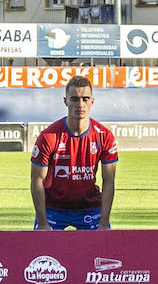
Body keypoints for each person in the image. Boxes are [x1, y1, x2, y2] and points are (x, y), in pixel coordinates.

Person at [31, 76, 118, 230]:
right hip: (53, 208)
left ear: (92, 101)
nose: (80, 104)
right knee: (43, 252)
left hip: (90, 207)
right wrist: (43, 222)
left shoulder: (105, 136)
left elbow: (109, 181)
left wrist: (104, 223)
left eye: (85, 99)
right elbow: (37, 180)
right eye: (74, 99)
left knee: (99, 251)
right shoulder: (48, 137)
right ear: (66, 101)